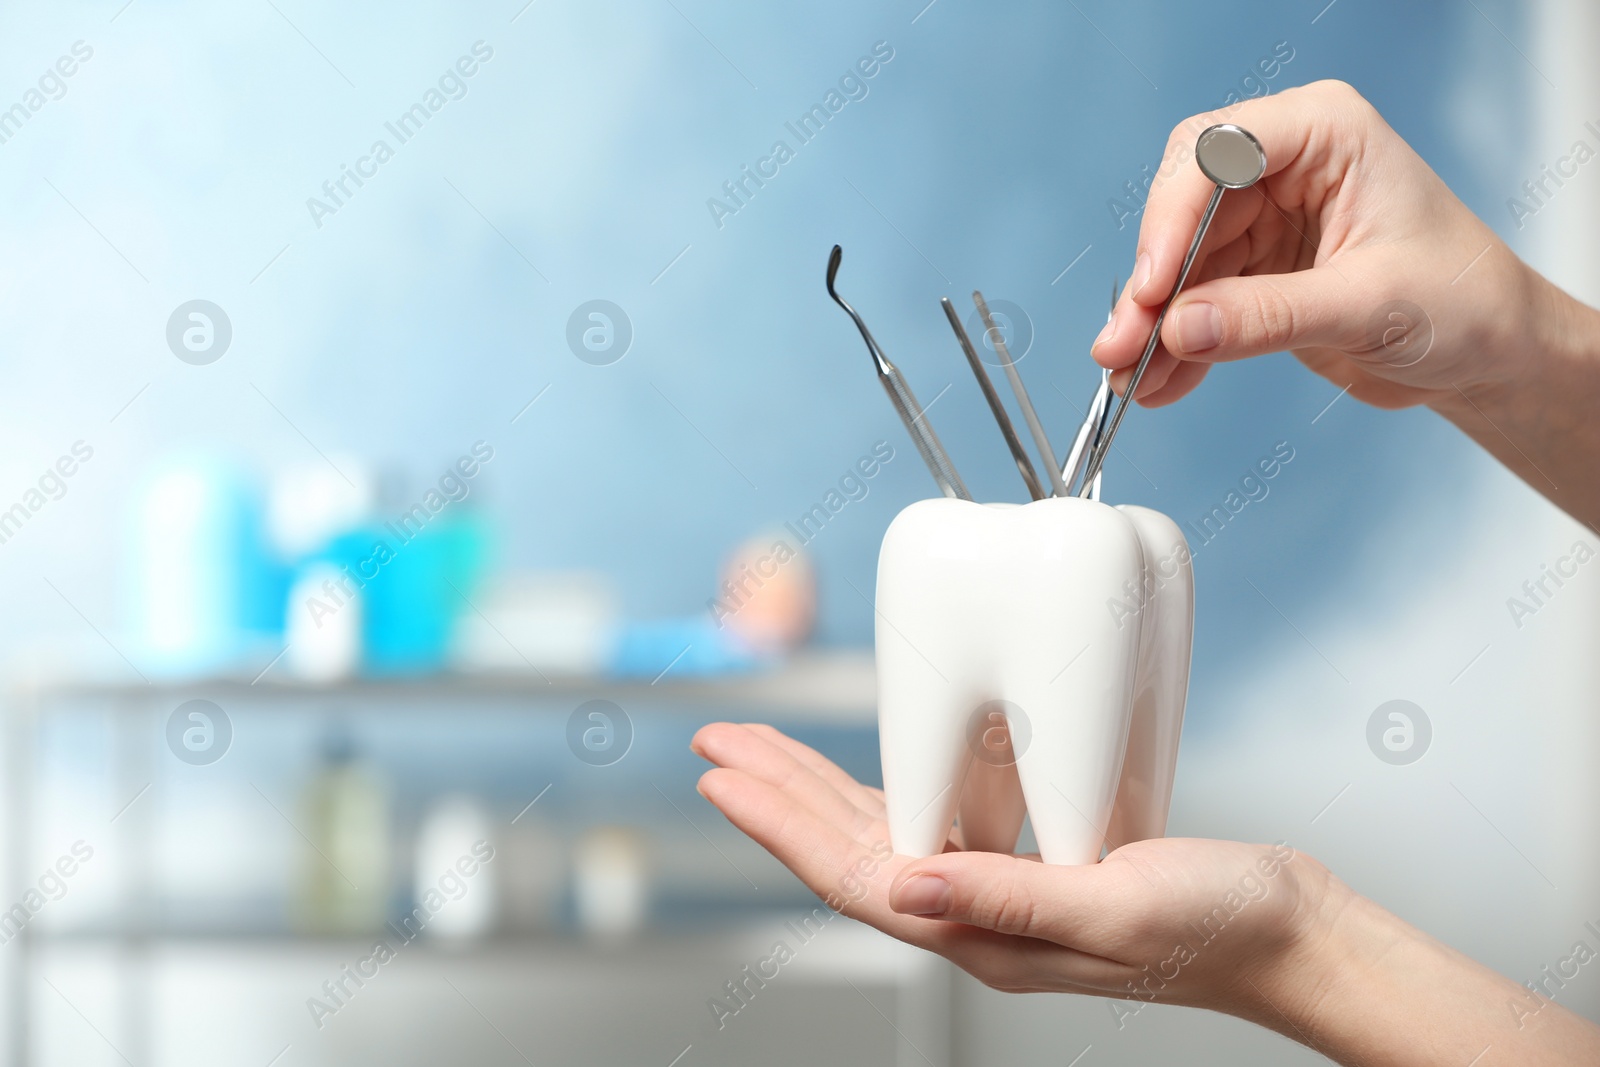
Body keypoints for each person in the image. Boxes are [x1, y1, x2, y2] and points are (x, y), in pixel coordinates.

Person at [692, 81, 1600, 1064]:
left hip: (1072, 564)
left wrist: (1296, 942)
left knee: (1130, 564)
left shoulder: (1120, 554)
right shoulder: (971, 548)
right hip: (1009, 567)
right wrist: (1512, 348)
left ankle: (1061, 826)